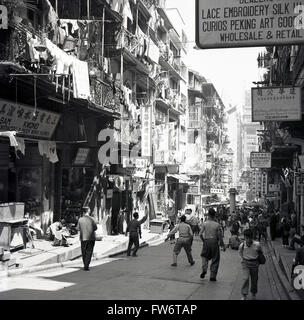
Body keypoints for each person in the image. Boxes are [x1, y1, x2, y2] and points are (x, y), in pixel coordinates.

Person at [199, 208, 225, 281]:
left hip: (206, 241)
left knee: (204, 256)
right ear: (214, 215)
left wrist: (203, 240)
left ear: (208, 215)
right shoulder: (217, 225)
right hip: (214, 242)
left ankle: (204, 269)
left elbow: (200, 234)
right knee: (215, 258)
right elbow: (220, 235)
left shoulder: (205, 223)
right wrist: (222, 244)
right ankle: (212, 275)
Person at [239, 229, 264, 300]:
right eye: (246, 238)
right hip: (246, 264)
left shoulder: (257, 245)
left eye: (249, 238)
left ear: (252, 237)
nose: (248, 240)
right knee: (245, 278)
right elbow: (240, 253)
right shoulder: (242, 245)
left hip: (255, 264)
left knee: (254, 280)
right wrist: (243, 260)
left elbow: (260, 252)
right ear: (244, 237)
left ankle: (253, 293)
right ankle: (244, 294)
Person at [77, 207, 98, 271]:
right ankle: (87, 265)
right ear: (88, 211)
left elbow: (78, 228)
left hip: (83, 238)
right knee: (89, 251)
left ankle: (85, 264)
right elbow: (95, 228)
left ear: (83, 212)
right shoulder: (92, 219)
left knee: (84, 251)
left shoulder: (80, 220)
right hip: (91, 238)